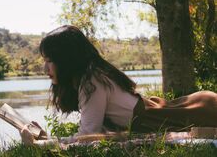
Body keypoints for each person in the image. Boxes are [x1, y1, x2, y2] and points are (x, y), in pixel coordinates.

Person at [20, 25, 217, 144]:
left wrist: (51, 142)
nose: (45, 68)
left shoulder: (92, 80)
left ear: (67, 59)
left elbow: (89, 136)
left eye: (49, 60)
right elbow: (94, 132)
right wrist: (48, 138)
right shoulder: (87, 79)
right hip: (176, 110)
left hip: (197, 113)